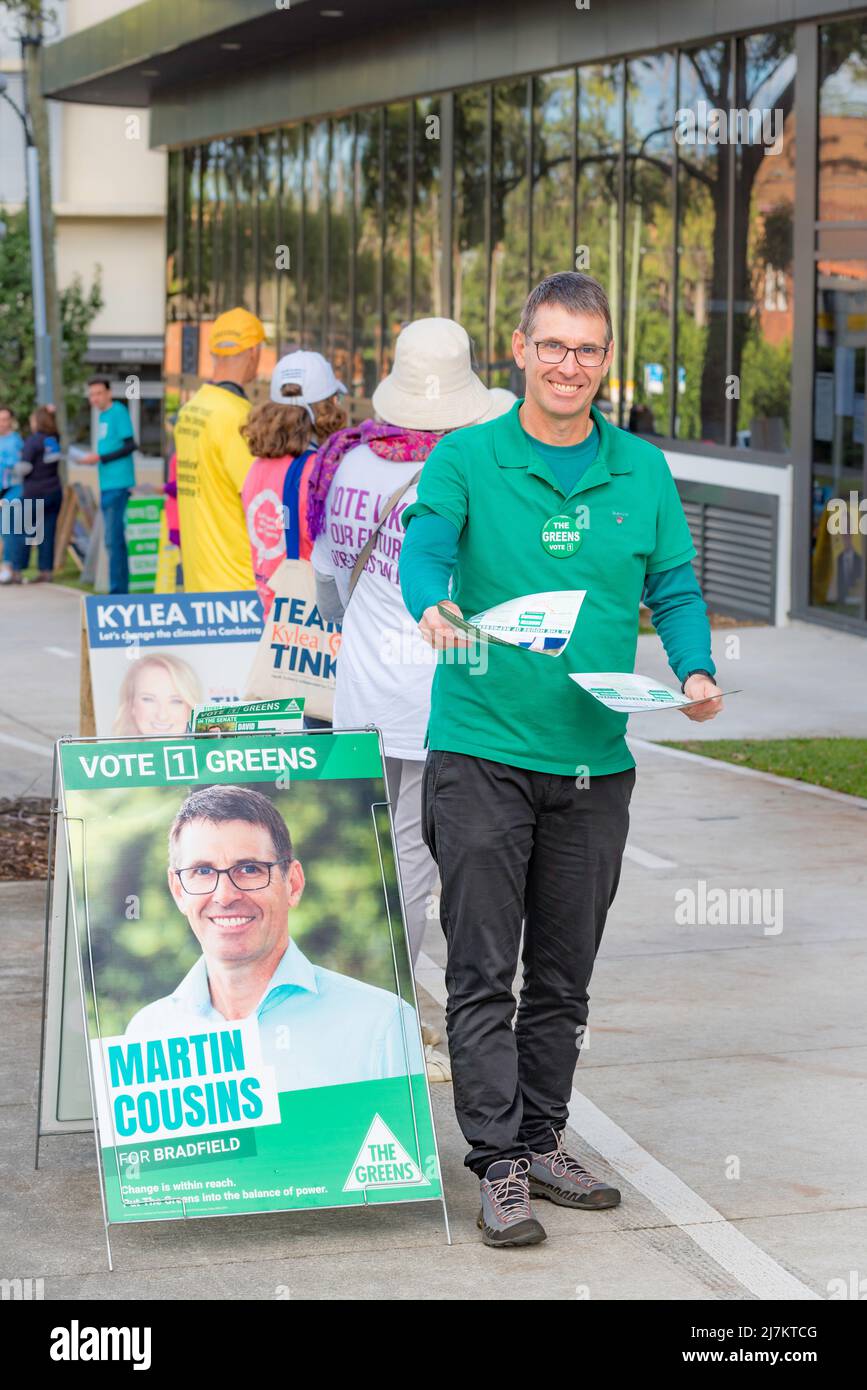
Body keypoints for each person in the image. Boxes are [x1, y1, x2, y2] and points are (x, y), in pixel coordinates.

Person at [399, 271, 723, 1248]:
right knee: (483, 969)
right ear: (520, 348)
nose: (568, 365)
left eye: (586, 348)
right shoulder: (467, 456)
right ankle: (496, 1163)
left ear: (608, 358)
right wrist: (431, 602)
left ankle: (542, 1137)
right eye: (553, 346)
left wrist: (698, 667)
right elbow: (426, 545)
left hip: (593, 762)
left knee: (565, 978)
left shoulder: (643, 473)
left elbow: (673, 588)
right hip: (482, 750)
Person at [309, 318, 492, 1084]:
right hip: (426, 694)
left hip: (358, 690)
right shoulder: (455, 473)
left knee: (360, 855)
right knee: (412, 862)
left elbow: (323, 582)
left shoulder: (345, 462)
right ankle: (384, 1016)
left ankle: (343, 1002)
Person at [125, 784, 424, 1090]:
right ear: (178, 891)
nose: (225, 895)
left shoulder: (382, 1026)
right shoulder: (147, 1034)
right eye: (202, 872)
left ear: (292, 884)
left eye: (249, 868)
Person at [241, 350, 348, 616]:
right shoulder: (319, 472)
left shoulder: (256, 468)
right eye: (335, 398)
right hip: (316, 623)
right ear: (323, 409)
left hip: (275, 616)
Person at [174, 308, 265, 593]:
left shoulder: (190, 411)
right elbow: (258, 499)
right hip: (238, 582)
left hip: (198, 579)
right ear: (254, 352)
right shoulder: (239, 418)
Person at [81, 379, 138, 594]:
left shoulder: (118, 412)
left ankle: (119, 592)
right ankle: (118, 589)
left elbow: (131, 445)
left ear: (109, 393)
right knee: (112, 540)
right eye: (92, 395)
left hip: (118, 483)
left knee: (114, 540)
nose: (95, 398)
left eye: (98, 393)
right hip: (107, 483)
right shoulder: (102, 416)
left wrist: (100, 457)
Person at [5, 406, 63, 584]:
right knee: (47, 533)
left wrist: (11, 468)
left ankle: (16, 571)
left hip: (35, 493)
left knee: (21, 531)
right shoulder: (53, 440)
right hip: (54, 491)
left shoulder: (33, 441)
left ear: (37, 422)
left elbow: (26, 467)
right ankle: (46, 571)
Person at [112, 654, 202, 737]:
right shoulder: (111, 752)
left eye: (175, 701)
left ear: (190, 709)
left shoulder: (209, 751)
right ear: (131, 704)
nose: (162, 716)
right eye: (148, 699)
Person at [0, 406, 24, 584]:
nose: (2, 423)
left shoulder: (16, 441)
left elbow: (19, 464)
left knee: (9, 528)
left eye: (5, 419)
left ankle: (10, 567)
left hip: (13, 489)